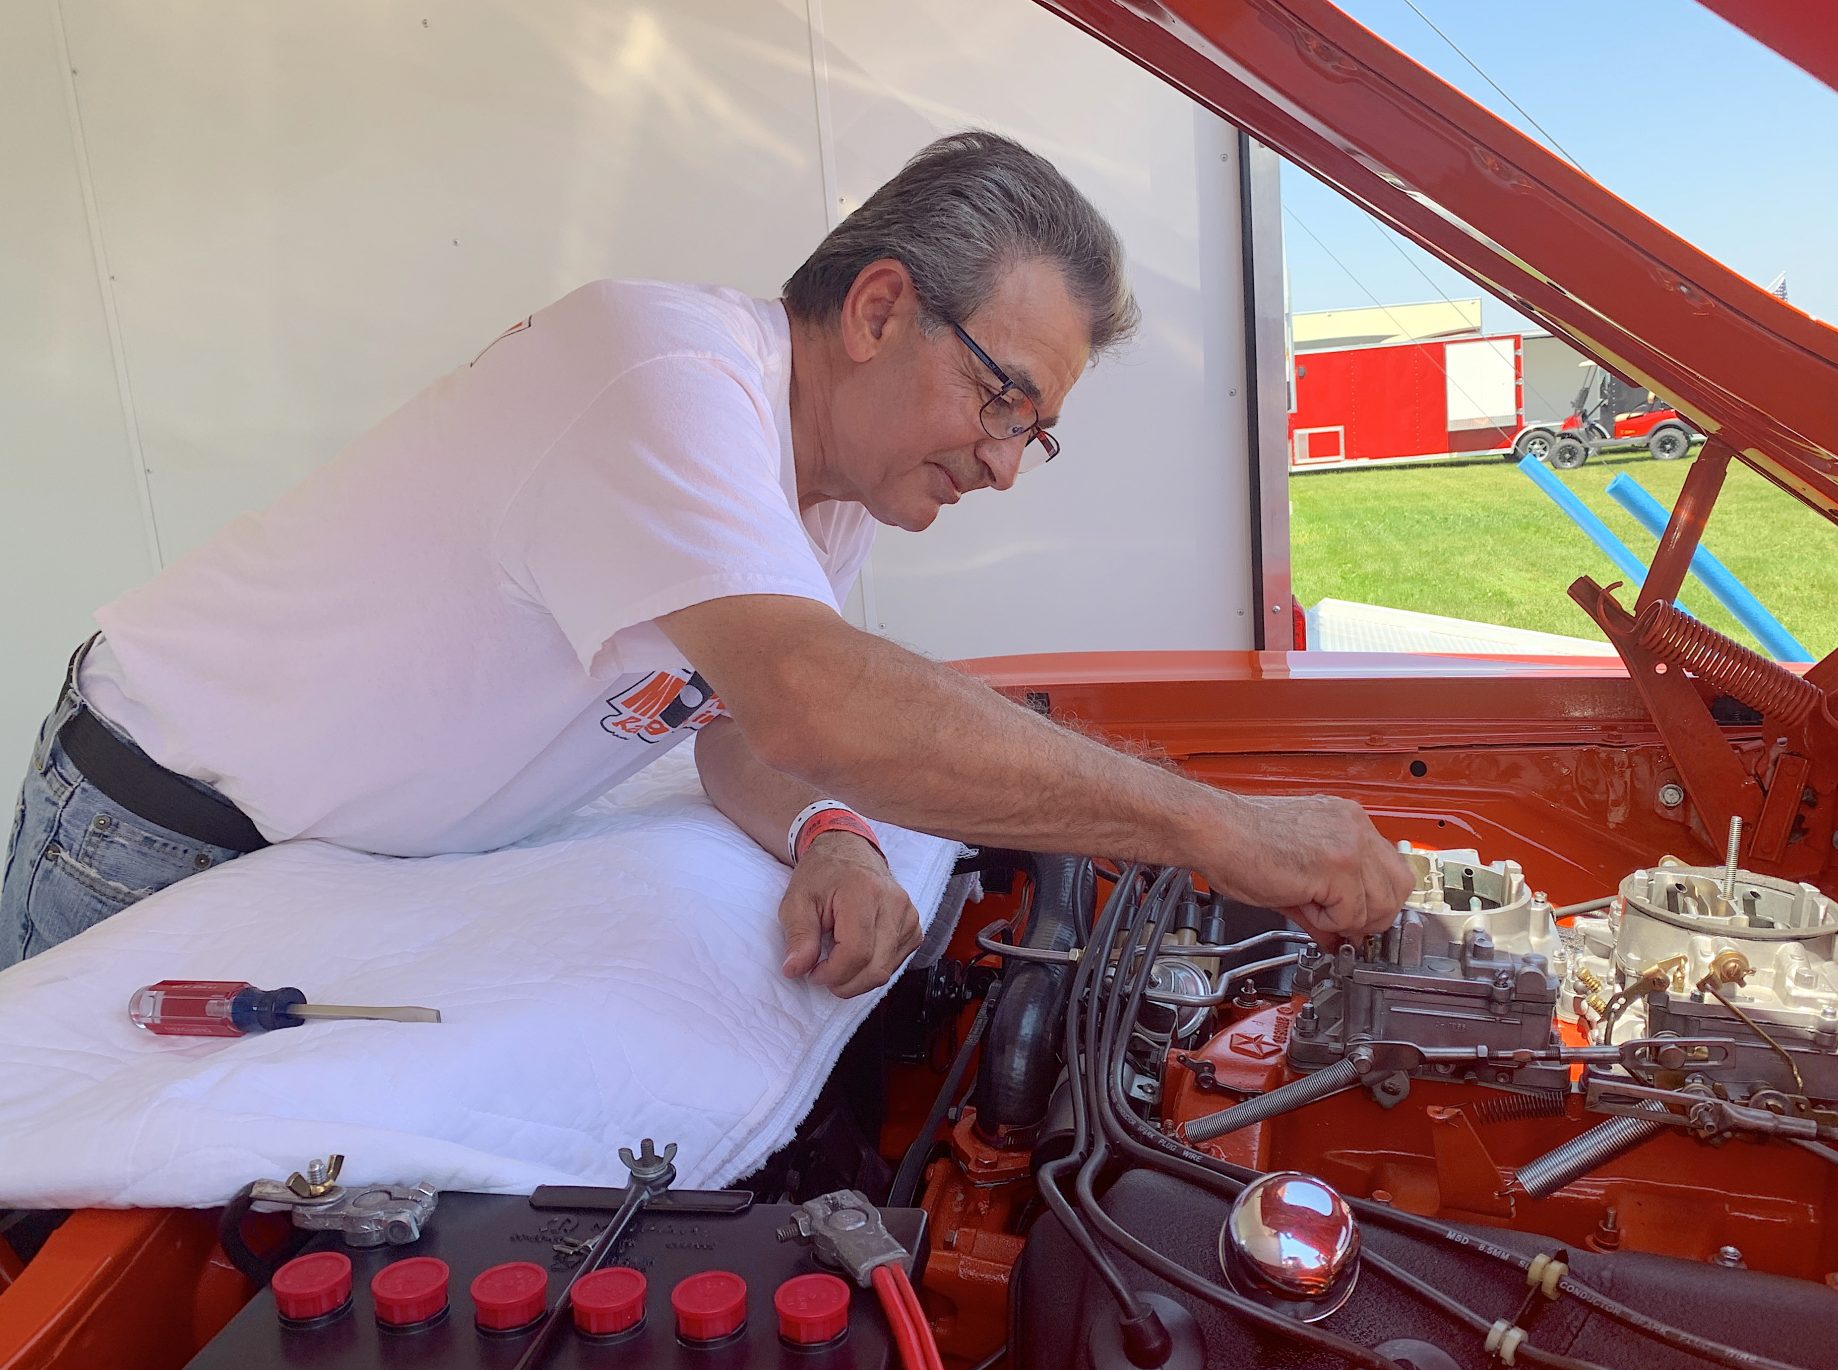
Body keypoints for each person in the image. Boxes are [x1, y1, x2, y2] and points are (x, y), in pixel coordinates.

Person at [0, 131, 1412, 986]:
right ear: (876, 311)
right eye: (1003, 401)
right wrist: (1218, 829)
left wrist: (837, 837)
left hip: (333, 871)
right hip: (152, 837)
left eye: (1033, 437)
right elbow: (817, 701)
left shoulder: (831, 491)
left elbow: (743, 732)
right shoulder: (662, 371)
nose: (1000, 464)